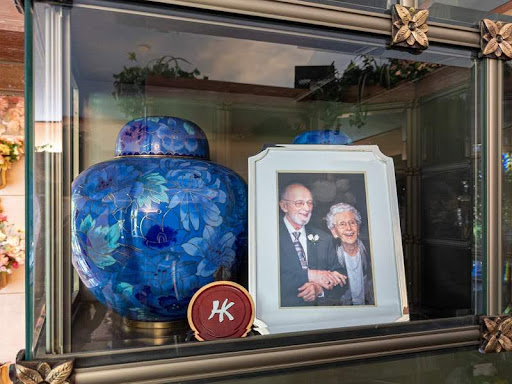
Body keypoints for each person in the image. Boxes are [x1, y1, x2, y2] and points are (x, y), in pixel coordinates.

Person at [279, 183, 346, 307]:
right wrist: (309, 275)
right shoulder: (270, 236)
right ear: (284, 206)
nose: (306, 208)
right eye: (299, 203)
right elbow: (266, 279)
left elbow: (342, 280)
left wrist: (319, 290)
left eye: (309, 203)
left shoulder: (324, 239)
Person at [326, 202, 374, 305]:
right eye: (342, 224)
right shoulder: (329, 257)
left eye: (352, 222)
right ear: (334, 231)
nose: (349, 228)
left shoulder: (371, 249)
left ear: (358, 227)